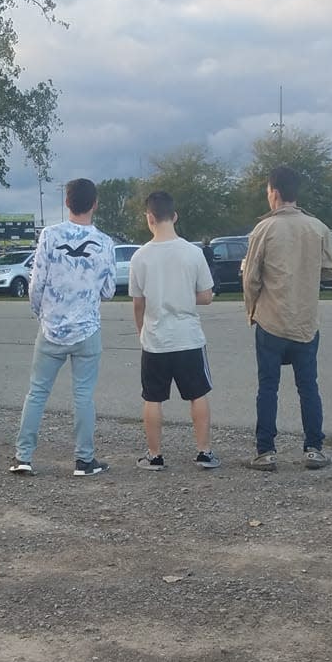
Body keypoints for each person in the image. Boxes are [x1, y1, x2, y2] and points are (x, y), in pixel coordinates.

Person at [11, 177, 116, 477]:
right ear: (94, 203)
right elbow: (108, 291)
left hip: (51, 328)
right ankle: (84, 460)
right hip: (87, 329)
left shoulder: (50, 235)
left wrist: (41, 314)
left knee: (38, 392)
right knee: (83, 395)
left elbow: (36, 283)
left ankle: (23, 457)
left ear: (66, 202)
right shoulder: (105, 243)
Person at [241, 164, 332, 471]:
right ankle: (313, 448)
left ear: (275, 193)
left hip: (271, 319)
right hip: (306, 321)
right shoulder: (317, 227)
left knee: (268, 386)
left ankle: (266, 450)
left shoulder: (264, 229)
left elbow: (251, 278)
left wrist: (252, 310)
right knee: (308, 386)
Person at [128, 190, 219, 471]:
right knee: (198, 393)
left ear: (150, 218)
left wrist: (141, 329)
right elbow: (206, 295)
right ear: (175, 216)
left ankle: (155, 455)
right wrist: (182, 296)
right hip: (188, 337)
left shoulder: (140, 257)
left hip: (155, 339)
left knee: (152, 397)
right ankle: (203, 451)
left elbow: (138, 303)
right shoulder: (193, 253)